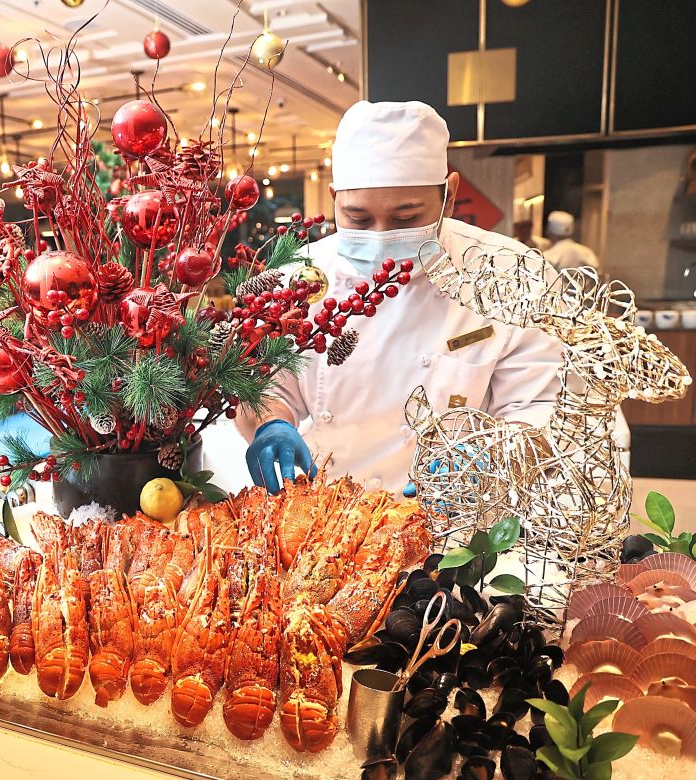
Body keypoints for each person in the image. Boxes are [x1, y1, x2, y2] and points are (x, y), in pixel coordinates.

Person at [237, 100, 562, 494]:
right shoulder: (302, 276)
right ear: (333, 197)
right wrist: (271, 426)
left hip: (460, 517)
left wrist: (490, 459)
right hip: (330, 513)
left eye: (406, 218)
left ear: (450, 194)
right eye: (357, 218)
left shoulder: (513, 274)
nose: (381, 237)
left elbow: (540, 408)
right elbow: (268, 389)